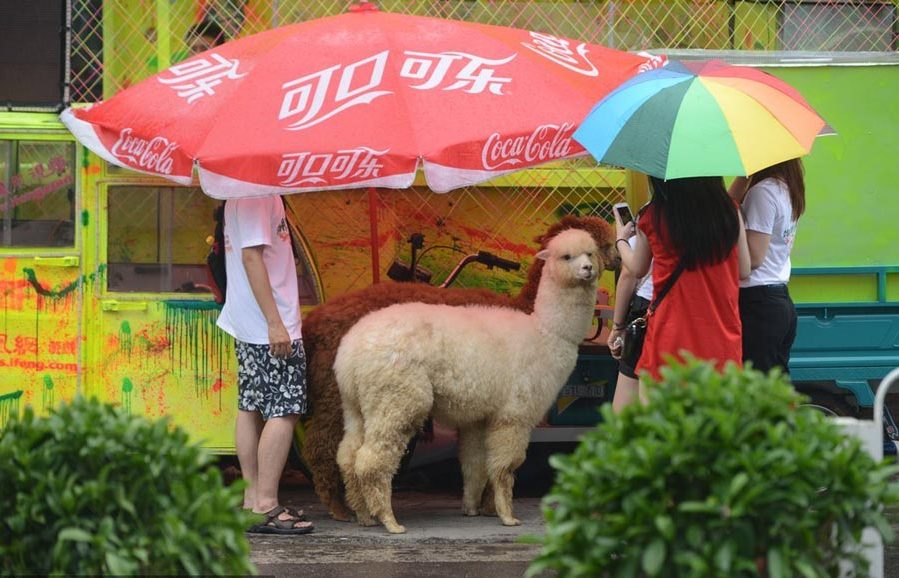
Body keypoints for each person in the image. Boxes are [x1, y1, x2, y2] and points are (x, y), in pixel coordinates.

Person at [216, 195, 314, 535]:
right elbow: (251, 257)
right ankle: (266, 503)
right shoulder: (259, 193)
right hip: (268, 324)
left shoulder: (237, 191)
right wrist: (275, 322)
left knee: (250, 405)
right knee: (284, 409)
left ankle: (250, 500)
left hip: (246, 321)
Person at [616, 176, 751, 385]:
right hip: (721, 338)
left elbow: (637, 268)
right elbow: (744, 269)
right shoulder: (729, 211)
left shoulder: (653, 216)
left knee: (660, 414)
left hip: (669, 337)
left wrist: (621, 240)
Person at [728, 158, 805, 374]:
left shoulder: (763, 192)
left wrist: (738, 223)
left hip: (757, 303)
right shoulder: (786, 188)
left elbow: (753, 259)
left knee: (756, 390)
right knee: (773, 390)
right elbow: (726, 206)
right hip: (777, 301)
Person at [608, 215, 653, 411]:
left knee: (631, 386)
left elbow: (631, 272)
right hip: (691, 310)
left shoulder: (653, 215)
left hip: (648, 308)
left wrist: (621, 239)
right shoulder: (716, 216)